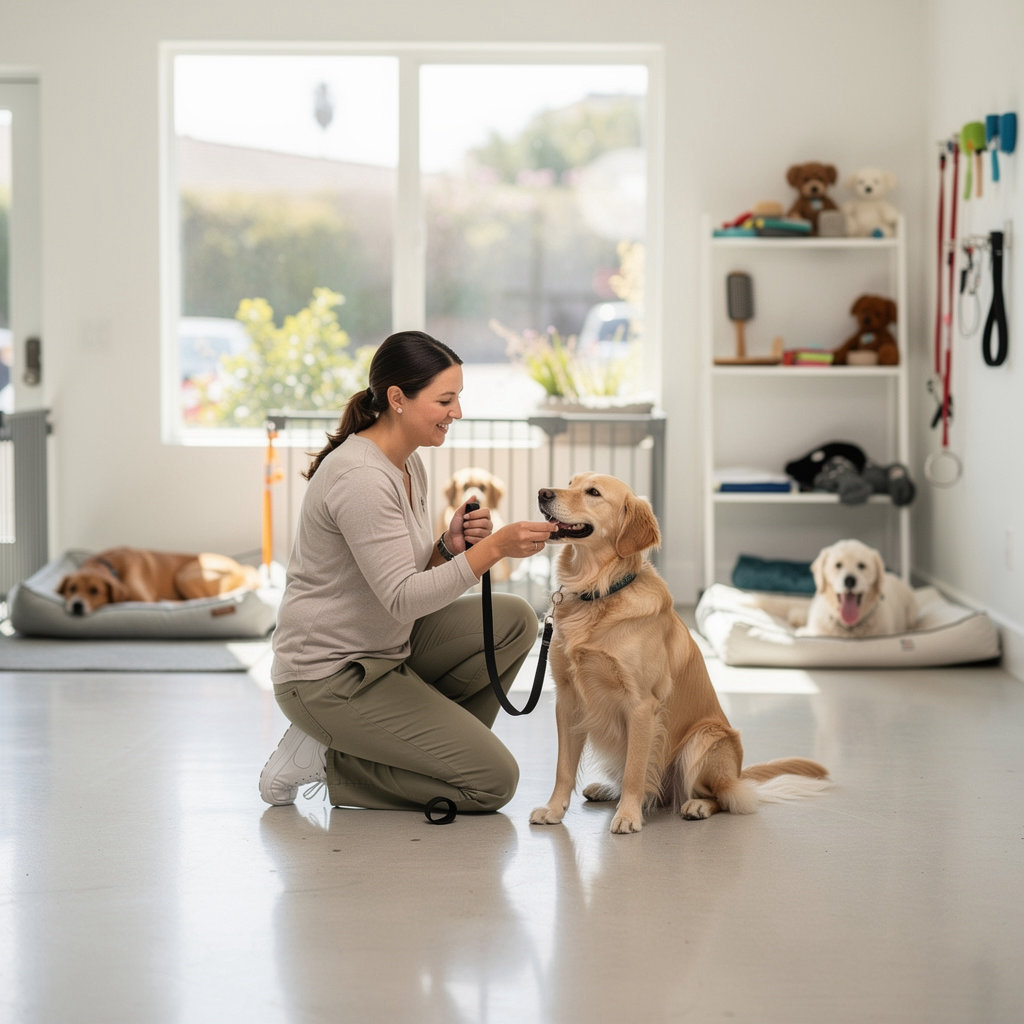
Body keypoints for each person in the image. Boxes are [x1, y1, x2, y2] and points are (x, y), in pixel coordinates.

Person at [259, 330, 557, 814]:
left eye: (457, 398)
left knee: (515, 620)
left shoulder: (407, 464)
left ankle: (426, 752)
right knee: (492, 784)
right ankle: (331, 759)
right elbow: (402, 598)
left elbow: (399, 574)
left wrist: (448, 547)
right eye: (445, 400)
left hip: (386, 650)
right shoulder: (360, 477)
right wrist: (494, 548)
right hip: (330, 677)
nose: (456, 412)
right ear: (397, 399)